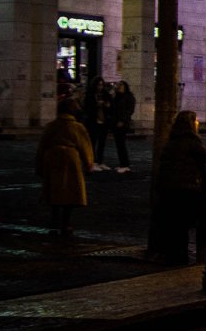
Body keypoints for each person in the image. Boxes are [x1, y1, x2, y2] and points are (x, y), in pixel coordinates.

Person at [154, 110, 206, 262]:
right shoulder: (191, 141)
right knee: (184, 224)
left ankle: (174, 255)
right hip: (186, 190)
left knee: (174, 224)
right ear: (191, 123)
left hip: (168, 189)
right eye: (196, 120)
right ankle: (181, 256)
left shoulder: (171, 141)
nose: (198, 123)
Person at [36, 99, 94, 239]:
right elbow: (85, 146)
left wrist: (39, 165)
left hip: (52, 158)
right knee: (70, 191)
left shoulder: (51, 126)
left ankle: (54, 221)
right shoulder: (77, 127)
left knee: (54, 191)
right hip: (70, 159)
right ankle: (66, 222)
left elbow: (42, 146)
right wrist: (89, 164)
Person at [103, 79, 136, 173]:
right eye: (118, 85)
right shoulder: (116, 97)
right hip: (115, 122)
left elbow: (129, 111)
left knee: (121, 144)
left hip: (123, 123)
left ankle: (125, 164)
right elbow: (112, 110)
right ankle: (122, 163)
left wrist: (122, 120)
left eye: (121, 85)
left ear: (125, 87)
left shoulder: (129, 97)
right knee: (118, 144)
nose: (119, 86)